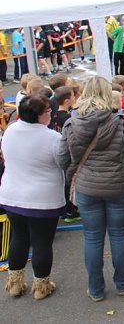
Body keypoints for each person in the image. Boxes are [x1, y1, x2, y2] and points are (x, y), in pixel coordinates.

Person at [60, 77, 124, 301]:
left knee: (92, 237)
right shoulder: (118, 121)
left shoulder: (71, 123)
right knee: (118, 235)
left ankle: (96, 289)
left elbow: (62, 159)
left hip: (87, 186)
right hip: (119, 184)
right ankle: (122, 282)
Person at [0, 94, 65, 299]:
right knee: (42, 242)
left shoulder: (11, 130)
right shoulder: (52, 137)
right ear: (39, 115)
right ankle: (41, 286)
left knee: (19, 238)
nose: (51, 114)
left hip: (12, 195)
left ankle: (15, 283)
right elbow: (63, 162)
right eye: (48, 112)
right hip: (42, 198)